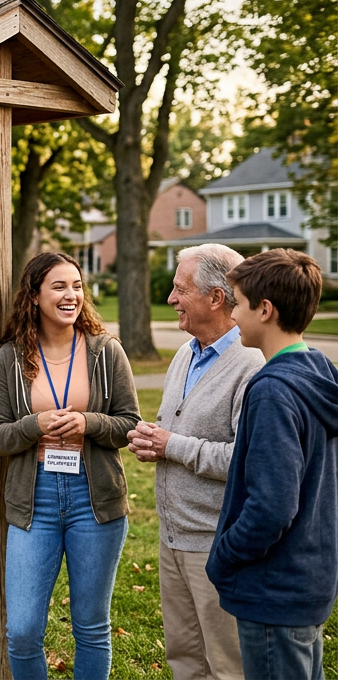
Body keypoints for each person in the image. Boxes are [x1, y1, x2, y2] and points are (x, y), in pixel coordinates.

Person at [0, 251, 140, 680]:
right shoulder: (10, 359)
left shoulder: (106, 352)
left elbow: (130, 425)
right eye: (59, 286)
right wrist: (34, 425)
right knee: (22, 630)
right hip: (33, 502)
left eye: (77, 286)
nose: (71, 295)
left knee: (91, 626)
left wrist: (88, 422)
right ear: (33, 296)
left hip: (96, 502)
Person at [127, 245, 262, 680]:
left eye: (180, 289)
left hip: (214, 543)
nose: (170, 299)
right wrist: (154, 441)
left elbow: (246, 458)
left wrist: (172, 446)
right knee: (184, 659)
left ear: (216, 298)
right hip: (172, 537)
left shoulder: (251, 364)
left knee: (227, 665)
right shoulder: (187, 352)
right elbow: (179, 432)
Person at [207, 249, 338, 680]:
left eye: (238, 304)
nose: (233, 313)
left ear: (265, 310)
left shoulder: (272, 391)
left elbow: (272, 506)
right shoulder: (318, 370)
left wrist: (224, 555)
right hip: (309, 582)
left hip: (273, 591)